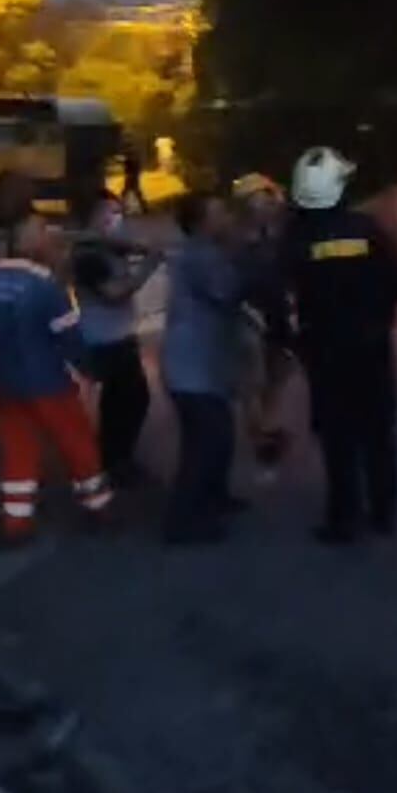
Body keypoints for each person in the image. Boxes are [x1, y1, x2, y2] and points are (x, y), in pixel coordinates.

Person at [282, 147, 397, 544]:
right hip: (371, 350)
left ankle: (344, 521)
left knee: (339, 441)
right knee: (378, 436)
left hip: (323, 354)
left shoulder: (296, 238)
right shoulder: (367, 229)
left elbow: (279, 295)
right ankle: (384, 513)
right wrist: (377, 315)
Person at [0, 204, 113, 543]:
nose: (51, 240)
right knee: (76, 442)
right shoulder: (45, 286)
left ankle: (15, 521)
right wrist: (88, 370)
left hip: (6, 384)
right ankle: (97, 505)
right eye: (44, 233)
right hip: (48, 383)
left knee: (17, 448)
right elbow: (68, 337)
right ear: (29, 242)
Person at [161, 192, 244, 545]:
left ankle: (214, 499)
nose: (227, 217)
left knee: (218, 437)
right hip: (191, 368)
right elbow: (229, 291)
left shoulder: (203, 252)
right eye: (220, 211)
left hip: (200, 365)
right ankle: (183, 521)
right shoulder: (202, 256)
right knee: (205, 444)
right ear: (201, 222)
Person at [70, 189, 162, 485]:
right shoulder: (87, 255)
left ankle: (112, 458)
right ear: (93, 216)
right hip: (103, 341)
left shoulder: (107, 247)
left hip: (118, 337)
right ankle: (111, 461)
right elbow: (114, 293)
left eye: (118, 212)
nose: (116, 218)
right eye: (110, 212)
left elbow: (127, 247)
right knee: (129, 400)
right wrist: (149, 265)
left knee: (123, 401)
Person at [231, 172, 293, 476]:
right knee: (252, 379)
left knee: (279, 372)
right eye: (260, 197)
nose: (267, 202)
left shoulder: (277, 234)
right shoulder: (236, 240)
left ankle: (269, 426)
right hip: (246, 315)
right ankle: (259, 437)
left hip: (276, 312)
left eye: (269, 196)